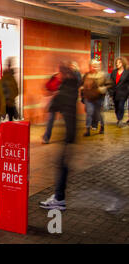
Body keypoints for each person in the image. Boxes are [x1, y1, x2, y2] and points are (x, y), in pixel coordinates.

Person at [40, 61, 81, 210]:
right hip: (70, 133)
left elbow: (51, 106)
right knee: (62, 165)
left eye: (60, 73)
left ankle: (59, 199)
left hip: (69, 134)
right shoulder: (72, 86)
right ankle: (59, 197)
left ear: (63, 74)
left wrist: (55, 94)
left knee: (61, 165)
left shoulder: (65, 89)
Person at [81, 60, 111, 136]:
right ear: (90, 66)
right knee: (89, 113)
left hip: (98, 97)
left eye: (96, 66)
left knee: (98, 113)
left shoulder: (103, 75)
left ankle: (102, 127)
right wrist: (82, 89)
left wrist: (103, 89)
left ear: (99, 66)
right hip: (88, 97)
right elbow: (81, 84)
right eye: (93, 66)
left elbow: (109, 84)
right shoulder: (87, 75)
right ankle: (87, 130)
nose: (94, 67)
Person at [42, 72, 62, 144]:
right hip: (54, 102)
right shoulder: (54, 78)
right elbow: (47, 86)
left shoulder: (65, 79)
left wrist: (58, 92)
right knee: (50, 119)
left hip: (62, 102)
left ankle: (70, 136)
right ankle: (46, 137)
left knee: (67, 119)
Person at [109, 57, 129, 127]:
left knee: (121, 106)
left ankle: (120, 120)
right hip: (115, 93)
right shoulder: (114, 72)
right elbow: (110, 82)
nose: (117, 64)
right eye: (116, 62)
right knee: (116, 107)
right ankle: (118, 119)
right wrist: (110, 92)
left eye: (119, 62)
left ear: (122, 63)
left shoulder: (127, 72)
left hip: (123, 93)